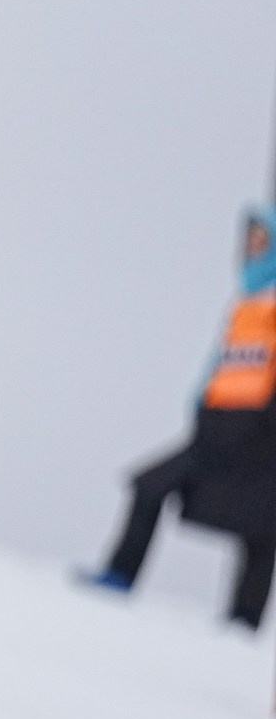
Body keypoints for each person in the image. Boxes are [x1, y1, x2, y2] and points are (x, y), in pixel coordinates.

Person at [86, 204, 276, 630]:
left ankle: (244, 620)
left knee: (262, 521)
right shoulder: (245, 301)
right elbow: (222, 364)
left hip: (260, 436)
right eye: (250, 238)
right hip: (216, 430)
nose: (253, 247)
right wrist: (201, 404)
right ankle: (120, 573)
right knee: (150, 485)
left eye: (263, 239)